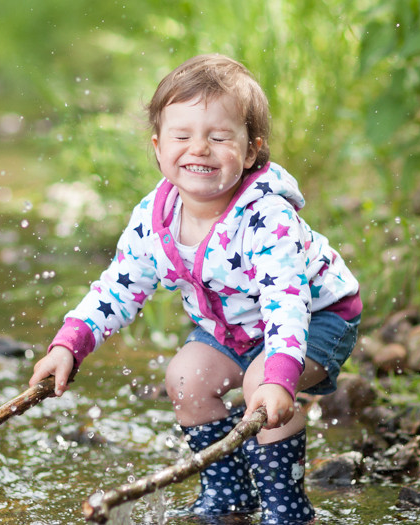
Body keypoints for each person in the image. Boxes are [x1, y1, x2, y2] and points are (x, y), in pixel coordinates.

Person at [29, 54, 361, 525]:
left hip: (317, 318)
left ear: (250, 152)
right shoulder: (154, 216)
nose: (199, 149)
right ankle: (228, 497)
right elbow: (117, 288)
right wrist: (70, 346)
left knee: (257, 388)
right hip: (231, 328)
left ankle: (288, 511)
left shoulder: (267, 217)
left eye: (219, 137)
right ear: (159, 147)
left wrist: (278, 376)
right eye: (182, 137)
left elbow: (286, 303)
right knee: (185, 378)